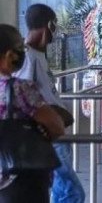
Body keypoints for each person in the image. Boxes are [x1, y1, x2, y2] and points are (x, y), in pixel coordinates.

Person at [13, 5, 84, 203]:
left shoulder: (38, 55)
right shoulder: (28, 57)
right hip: (48, 136)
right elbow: (23, 100)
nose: (55, 33)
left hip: (56, 134)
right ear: (48, 25)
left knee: (61, 192)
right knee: (73, 193)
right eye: (54, 26)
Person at [0, 24, 65, 203]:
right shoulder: (18, 88)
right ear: (9, 55)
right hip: (21, 180)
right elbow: (56, 126)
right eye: (21, 48)